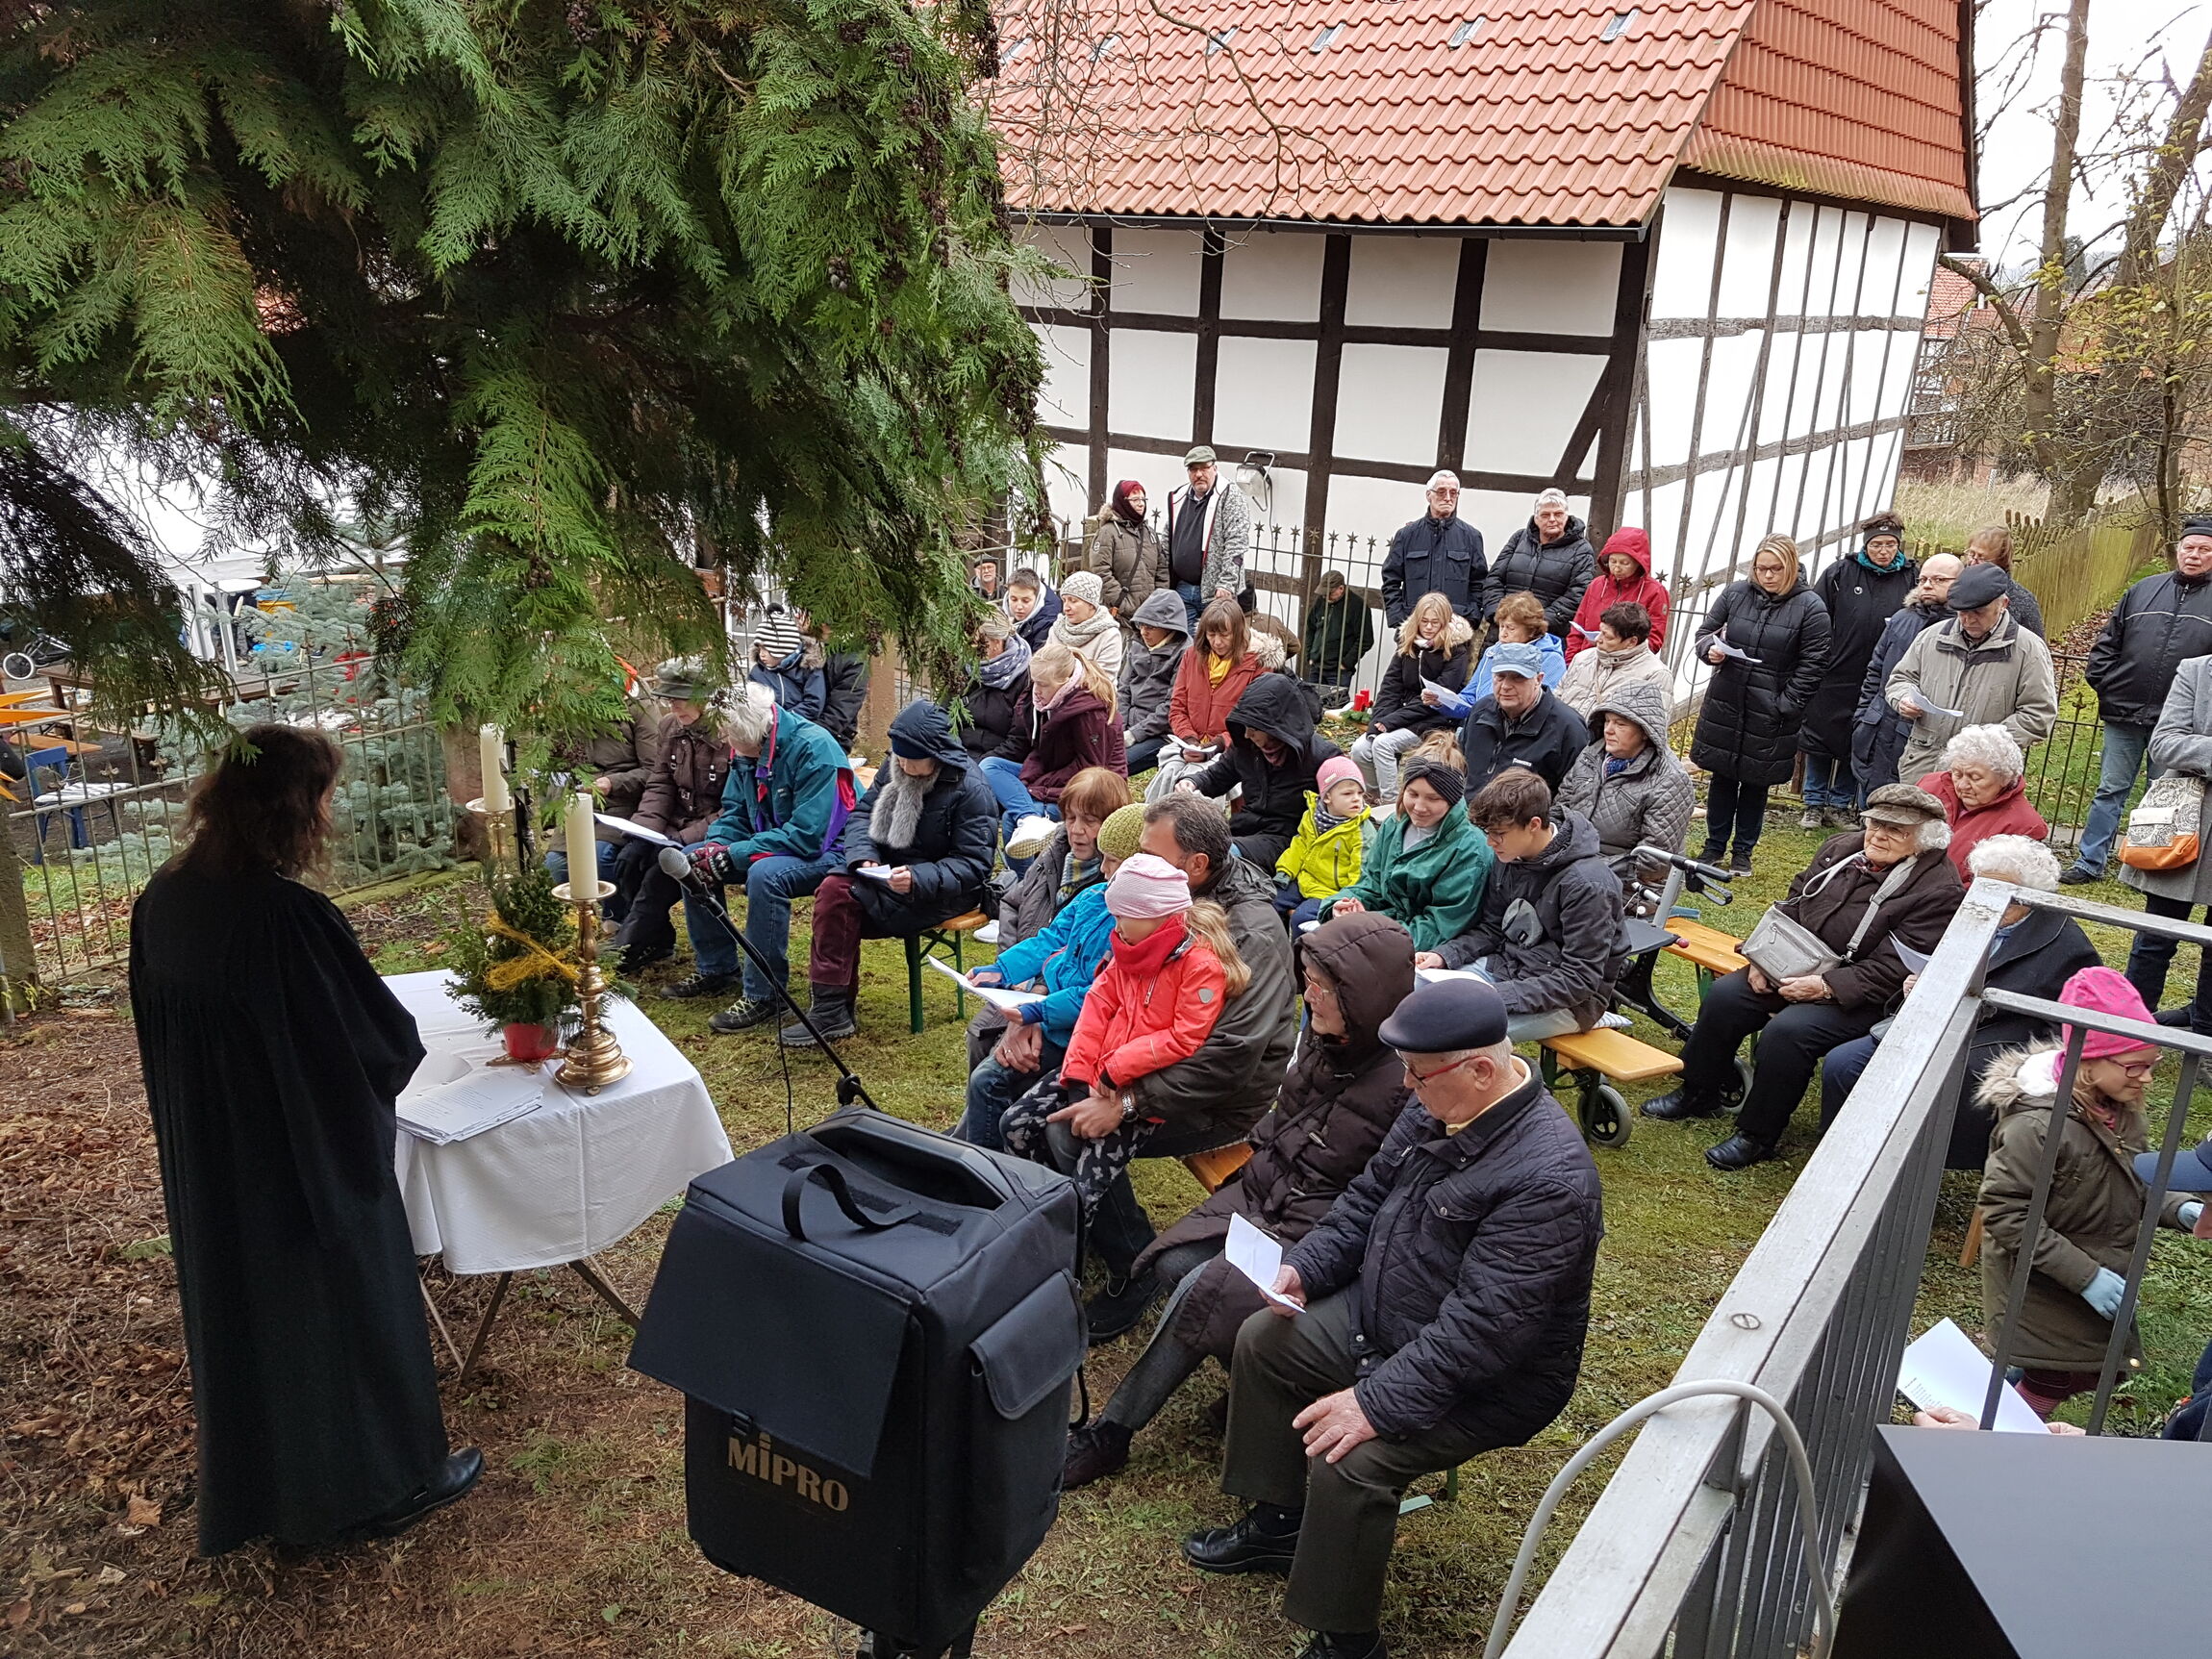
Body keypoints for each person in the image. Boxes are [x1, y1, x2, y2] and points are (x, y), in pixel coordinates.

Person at [130, 725, 481, 1554]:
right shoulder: (286, 918)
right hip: (294, 1162)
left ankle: (264, 1483)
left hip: (213, 1160)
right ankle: (387, 1482)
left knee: (249, 1311)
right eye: (324, 796)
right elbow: (373, 1046)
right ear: (292, 809)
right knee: (338, 1297)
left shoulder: (166, 897)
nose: (331, 812)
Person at [1183, 976, 1601, 1659]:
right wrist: (1306, 1267)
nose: (1405, 1087)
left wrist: (1373, 1402)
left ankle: (1348, 1640)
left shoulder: (1548, 1177)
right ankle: (1280, 1519)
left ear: (1482, 1069)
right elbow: (1367, 1195)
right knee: (1265, 1337)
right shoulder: (1439, 1101)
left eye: (1417, 1074)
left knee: (1355, 1455)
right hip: (1392, 1315)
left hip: (1490, 1380)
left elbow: (1486, 1330)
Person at [1062, 913, 1417, 1489]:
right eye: (1310, 979)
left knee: (1201, 1288)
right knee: (1174, 1262)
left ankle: (1114, 1432)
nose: (1310, 994)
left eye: (1323, 986)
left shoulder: (1404, 1081)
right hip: (1265, 1197)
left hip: (1319, 1233)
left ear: (1363, 996)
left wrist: (1286, 1209)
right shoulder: (1330, 1042)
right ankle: (1245, 1378)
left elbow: (1374, 1199)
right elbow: (1281, 1127)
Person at [1644, 784, 1963, 1168]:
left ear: (1925, 840)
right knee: (1728, 996)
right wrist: (1763, 960)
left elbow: (1896, 967)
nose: (1879, 834)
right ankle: (1699, 1089)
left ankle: (1757, 1134)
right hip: (1800, 963)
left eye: (1897, 830)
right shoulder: (1843, 849)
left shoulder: (1937, 889)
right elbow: (1794, 902)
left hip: (1867, 994)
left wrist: (1826, 987)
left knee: (1789, 1032)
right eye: (1876, 823)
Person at [1083, 795, 1301, 1329]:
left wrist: (1129, 1101)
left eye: (1152, 856)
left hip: (1223, 1103)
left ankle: (1134, 1268)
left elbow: (1227, 1058)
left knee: (1082, 1133)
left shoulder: (1251, 932)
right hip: (1153, 1071)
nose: (1138, 866)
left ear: (1196, 864)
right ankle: (1073, 1228)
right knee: (1056, 1104)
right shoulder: (1166, 898)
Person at [1975, 967, 2205, 1417]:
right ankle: (1996, 1440)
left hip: (2090, 1265)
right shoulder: (2037, 1126)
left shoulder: (2118, 1109)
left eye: (2152, 1066)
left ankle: (1995, 1409)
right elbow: (2006, 1214)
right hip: (2042, 1284)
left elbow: (2132, 1178)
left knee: (2072, 1367)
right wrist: (2086, 1277)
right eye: (2134, 1067)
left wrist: (2182, 1208)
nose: (2147, 1079)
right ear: (2088, 1059)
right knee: (2056, 1374)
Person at [1820, 836, 2099, 1169]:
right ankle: (1840, 1162)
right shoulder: (1972, 915)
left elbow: (2062, 1032)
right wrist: (1917, 985)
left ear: (2032, 897)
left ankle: (1902, 1172)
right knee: (1843, 1064)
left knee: (1926, 1086)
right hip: (1930, 1023)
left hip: (1989, 1043)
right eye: (1983, 890)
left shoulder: (2068, 946)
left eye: (2005, 896)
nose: (1991, 903)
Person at [999, 855, 1246, 1220]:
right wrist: (1080, 1073)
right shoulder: (1128, 946)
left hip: (1137, 1093)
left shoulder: (1200, 966)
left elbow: (1184, 1038)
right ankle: (1038, 1208)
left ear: (1156, 915)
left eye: (1121, 916)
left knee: (1085, 1190)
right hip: (1097, 1074)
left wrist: (1115, 1070)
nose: (1115, 926)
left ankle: (1065, 1236)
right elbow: (1098, 1004)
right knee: (1015, 1126)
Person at [780, 700, 996, 1044]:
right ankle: (830, 1008)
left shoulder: (971, 789)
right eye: (899, 756)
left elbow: (973, 865)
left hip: (941, 892)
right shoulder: (894, 767)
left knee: (838, 900)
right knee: (834, 889)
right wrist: (864, 857)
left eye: (913, 758)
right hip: (887, 875)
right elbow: (862, 817)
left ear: (936, 754)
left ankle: (831, 1010)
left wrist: (918, 877)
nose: (903, 764)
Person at [956, 798, 1144, 1147]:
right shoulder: (1093, 899)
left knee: (989, 1081)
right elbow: (1050, 939)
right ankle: (973, 1151)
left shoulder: (1131, 923)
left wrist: (1038, 1014)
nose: (1103, 870)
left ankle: (983, 1172)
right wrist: (1001, 970)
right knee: (989, 1064)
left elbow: (1099, 994)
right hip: (1047, 1012)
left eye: (1114, 862)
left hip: (1072, 1031)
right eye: (1103, 858)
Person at [685, 685, 854, 1031]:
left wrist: (735, 855)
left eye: (726, 731)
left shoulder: (814, 749)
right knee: (691, 860)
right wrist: (715, 847)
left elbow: (809, 836)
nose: (721, 736)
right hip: (779, 840)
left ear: (748, 731)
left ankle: (766, 993)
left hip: (834, 849)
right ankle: (717, 968)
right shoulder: (747, 749)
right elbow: (735, 812)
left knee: (765, 875)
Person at [1421, 771, 1625, 1042]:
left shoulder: (1588, 884)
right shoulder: (1509, 855)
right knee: (1416, 998)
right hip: (1505, 969)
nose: (1490, 842)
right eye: (1487, 833)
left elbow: (1580, 980)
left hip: (1570, 1002)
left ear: (1534, 824)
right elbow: (1492, 928)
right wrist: (1444, 956)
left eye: (1499, 834)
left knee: (1453, 1032)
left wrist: (1497, 996)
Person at [2067, 517, 2212, 882]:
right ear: (2178, 550)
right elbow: (2107, 643)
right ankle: (2089, 862)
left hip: (2178, 725)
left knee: (2164, 794)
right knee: (2109, 789)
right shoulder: (2143, 590)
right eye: (2189, 548)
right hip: (2124, 712)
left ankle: (2151, 864)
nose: (2194, 556)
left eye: (2204, 550)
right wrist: (2107, 685)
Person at [1688, 534, 1833, 873]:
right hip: (1727, 701)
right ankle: (1713, 847)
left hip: (1771, 709)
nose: (1767, 575)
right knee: (1722, 776)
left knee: (1756, 782)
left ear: (1791, 567)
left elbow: (1814, 664)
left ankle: (1743, 852)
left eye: (1775, 568)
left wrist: (1785, 705)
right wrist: (1710, 650)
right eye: (1760, 568)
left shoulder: (1810, 607)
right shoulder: (1735, 594)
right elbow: (1705, 632)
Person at [1886, 561, 2057, 786]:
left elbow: (2038, 714)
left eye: (1978, 612)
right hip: (1922, 766)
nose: (1968, 619)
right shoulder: (1931, 637)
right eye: (1962, 612)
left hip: (1983, 776)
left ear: (2003, 604)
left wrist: (1985, 744)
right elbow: (1900, 679)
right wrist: (1903, 699)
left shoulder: (2028, 649)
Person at [612, 659, 733, 976]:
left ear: (707, 698)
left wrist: (683, 839)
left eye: (680, 698)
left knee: (659, 875)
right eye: (669, 698)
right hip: (673, 825)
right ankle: (655, 941)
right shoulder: (670, 726)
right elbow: (660, 783)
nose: (673, 706)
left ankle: (624, 947)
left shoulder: (731, 734)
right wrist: (642, 833)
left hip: (714, 829)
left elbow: (734, 808)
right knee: (629, 862)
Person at [1797, 515, 1917, 826]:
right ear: (1866, 545)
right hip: (1836, 671)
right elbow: (1817, 616)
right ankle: (1814, 801)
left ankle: (1839, 803)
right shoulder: (1840, 573)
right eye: (1877, 544)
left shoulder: (1911, 577)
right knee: (1820, 738)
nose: (1884, 551)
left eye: (1890, 545)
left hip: (1880, 676)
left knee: (1860, 738)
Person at [2121, 650, 2212, 1034]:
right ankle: (2128, 1030)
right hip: (2186, 823)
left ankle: (2206, 1033)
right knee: (2156, 937)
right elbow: (2164, 744)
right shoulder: (2196, 671)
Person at [1314, 758, 1491, 943]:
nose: (1419, 807)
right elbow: (1371, 882)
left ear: (1451, 801)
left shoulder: (1470, 850)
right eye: (1413, 794)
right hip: (1386, 927)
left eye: (1433, 798)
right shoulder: (1395, 823)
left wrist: (1374, 936)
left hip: (1425, 945)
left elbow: (1441, 924)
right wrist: (1343, 905)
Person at [979, 642, 1126, 861]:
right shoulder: (1043, 700)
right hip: (1054, 775)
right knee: (990, 766)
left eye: (1043, 684)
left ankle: (1028, 882)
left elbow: (1092, 769)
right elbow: (1038, 750)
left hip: (1092, 788)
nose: (1036, 690)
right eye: (1034, 682)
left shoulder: (1089, 712)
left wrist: (1040, 785)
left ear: (1065, 682)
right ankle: (1029, 819)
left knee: (1010, 820)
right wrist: (1035, 779)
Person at [1181, 672, 1344, 869]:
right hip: (1243, 829)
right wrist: (1192, 781)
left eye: (1254, 728)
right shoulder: (1246, 747)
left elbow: (1344, 813)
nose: (1248, 734)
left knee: (1216, 856)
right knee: (1185, 844)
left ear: (1277, 726)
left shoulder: (1323, 758)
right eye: (1246, 727)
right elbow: (1217, 776)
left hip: (1287, 842)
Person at [1555, 681, 1696, 884]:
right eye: (1607, 721)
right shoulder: (1591, 755)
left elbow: (1653, 861)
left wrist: (1580, 868)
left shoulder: (1671, 780)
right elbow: (1560, 810)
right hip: (1573, 864)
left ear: (1645, 732)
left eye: (1620, 724)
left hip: (1634, 885)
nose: (1609, 730)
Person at [1850, 553, 1960, 798]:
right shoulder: (1901, 619)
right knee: (1873, 809)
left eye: (1939, 579)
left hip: (1924, 735)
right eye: (1923, 580)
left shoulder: (1962, 627)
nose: (1928, 585)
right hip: (1879, 730)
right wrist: (1864, 715)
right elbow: (1875, 671)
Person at [544, 700, 660, 925]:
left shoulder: (637, 705)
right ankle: (582, 925)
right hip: (578, 805)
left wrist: (612, 783)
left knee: (599, 856)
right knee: (555, 865)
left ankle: (620, 921)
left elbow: (654, 770)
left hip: (623, 806)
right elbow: (556, 767)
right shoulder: (566, 701)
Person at [1351, 591, 1473, 805]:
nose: (1428, 627)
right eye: (1424, 621)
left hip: (1434, 718)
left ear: (1444, 622)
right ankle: (1375, 795)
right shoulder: (1407, 643)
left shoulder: (1456, 651)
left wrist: (1389, 723)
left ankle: (1390, 805)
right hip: (1400, 713)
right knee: (1360, 749)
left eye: (1435, 622)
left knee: (1383, 745)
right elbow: (1390, 687)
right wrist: (1377, 721)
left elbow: (1436, 698)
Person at [1154, 597, 1263, 797]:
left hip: (1231, 749)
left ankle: (1200, 828)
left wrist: (1217, 745)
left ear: (1238, 633)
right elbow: (1177, 707)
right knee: (1167, 775)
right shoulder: (1191, 656)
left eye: (1224, 635)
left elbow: (1253, 722)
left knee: (1196, 786)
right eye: (1211, 634)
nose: (1217, 642)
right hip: (1190, 744)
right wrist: (1189, 739)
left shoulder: (1257, 664)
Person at [1454, 641, 1587, 794]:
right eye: (1500, 677)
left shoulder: (1568, 727)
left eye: (1518, 678)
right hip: (1468, 812)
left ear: (1538, 679)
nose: (1505, 686)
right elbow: (1460, 767)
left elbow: (1572, 794)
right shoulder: (1480, 710)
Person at [1919, 725, 2049, 880]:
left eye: (1975, 778)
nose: (1962, 785)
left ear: (2005, 777)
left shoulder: (2024, 825)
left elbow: (1991, 886)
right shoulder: (1930, 785)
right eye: (1957, 774)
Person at [1379, 470, 1488, 630]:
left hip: (1454, 631)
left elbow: (1479, 583)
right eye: (1441, 492)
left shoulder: (1471, 537)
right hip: (1413, 627)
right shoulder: (1407, 535)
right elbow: (1391, 580)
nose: (1448, 498)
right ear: (1428, 495)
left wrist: (1469, 618)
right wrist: (1400, 620)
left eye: (1453, 493)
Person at [1486, 487, 1596, 641]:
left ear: (1566, 516)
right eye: (1545, 515)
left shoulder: (1582, 550)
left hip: (1546, 636)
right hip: (1502, 632)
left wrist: (1536, 624)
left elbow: (1577, 593)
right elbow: (1494, 578)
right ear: (1536, 518)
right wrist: (1499, 615)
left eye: (1558, 514)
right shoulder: (1518, 538)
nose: (1552, 519)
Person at [1275, 756, 1376, 919]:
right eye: (1348, 793)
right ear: (1327, 797)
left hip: (1331, 893)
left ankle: (1304, 945)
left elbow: (1360, 873)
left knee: (1302, 918)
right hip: (1306, 880)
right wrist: (1285, 871)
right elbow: (1299, 845)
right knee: (1272, 901)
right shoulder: (1312, 817)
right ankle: (1278, 944)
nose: (1356, 799)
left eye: (1360, 793)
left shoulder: (1360, 831)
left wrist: (1346, 900)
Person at [1162, 445, 1249, 630]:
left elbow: (1236, 543)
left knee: (1214, 647)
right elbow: (1167, 538)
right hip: (1182, 589)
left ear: (1215, 468)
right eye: (1193, 469)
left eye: (1204, 468)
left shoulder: (1231, 496)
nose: (1199, 474)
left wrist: (1227, 583)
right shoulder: (1179, 497)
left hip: (1216, 592)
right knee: (1184, 649)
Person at [1565, 526, 1669, 660]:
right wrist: (1571, 660)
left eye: (1625, 563)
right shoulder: (1597, 585)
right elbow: (1577, 628)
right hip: (1586, 659)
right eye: (1612, 561)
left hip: (1625, 665)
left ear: (1638, 563)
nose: (1617, 568)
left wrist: (1623, 657)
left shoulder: (1655, 591)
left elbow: (1653, 639)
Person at [1119, 589, 1192, 776]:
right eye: (1141, 625)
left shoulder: (1185, 653)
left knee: (1117, 765)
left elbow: (1171, 706)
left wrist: (1135, 734)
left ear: (1169, 627)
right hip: (1128, 723)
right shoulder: (1136, 643)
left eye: (1150, 627)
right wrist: (1120, 726)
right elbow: (1123, 689)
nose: (1144, 632)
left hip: (1161, 733)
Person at [1556, 601, 1669, 717]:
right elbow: (1557, 699)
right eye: (1600, 632)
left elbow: (1650, 728)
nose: (1598, 639)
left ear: (1632, 642)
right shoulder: (1582, 658)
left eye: (1608, 637)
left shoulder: (1655, 675)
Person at [951, 611, 1032, 763]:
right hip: (957, 752)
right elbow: (944, 715)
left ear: (997, 642)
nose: (970, 649)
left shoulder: (1024, 679)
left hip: (994, 761)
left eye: (976, 643)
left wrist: (979, 763)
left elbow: (1019, 741)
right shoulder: (963, 668)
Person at [1458, 591, 1565, 705]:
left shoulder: (1552, 659)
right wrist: (1441, 702)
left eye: (1510, 628)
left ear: (1531, 630)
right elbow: (1470, 697)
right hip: (1481, 719)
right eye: (1501, 626)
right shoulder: (1492, 652)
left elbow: (1542, 706)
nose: (1503, 633)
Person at [1091, 479, 1167, 624]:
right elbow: (1101, 571)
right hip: (1121, 616)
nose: (1141, 503)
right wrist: (1122, 603)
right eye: (1135, 499)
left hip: (1149, 615)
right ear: (1123, 501)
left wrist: (1157, 601)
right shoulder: (1108, 532)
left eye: (1143, 498)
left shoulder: (1149, 533)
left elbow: (1161, 569)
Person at [795, 607, 870, 753]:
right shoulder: (794, 645)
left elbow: (837, 717)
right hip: (788, 729)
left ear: (824, 622)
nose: (798, 616)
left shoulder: (853, 661)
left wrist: (796, 737)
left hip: (828, 740)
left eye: (806, 613)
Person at [1302, 568, 1374, 706]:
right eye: (1324, 594)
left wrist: (1345, 663)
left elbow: (1366, 640)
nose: (1325, 597)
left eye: (1329, 594)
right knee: (1310, 706)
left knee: (1335, 708)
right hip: (1316, 665)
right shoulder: (1321, 601)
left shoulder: (1358, 606)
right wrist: (1310, 655)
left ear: (1341, 588)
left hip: (1339, 671)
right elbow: (1310, 627)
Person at [747, 604, 826, 721]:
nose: (762, 654)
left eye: (767, 649)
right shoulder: (758, 672)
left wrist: (785, 720)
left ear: (783, 648)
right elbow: (752, 705)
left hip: (800, 725)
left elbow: (814, 703)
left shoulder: (807, 668)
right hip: (767, 728)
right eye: (759, 649)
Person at [1963, 524, 2045, 638]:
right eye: (1971, 554)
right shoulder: (1953, 587)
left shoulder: (2022, 600)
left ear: (2001, 562)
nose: (1972, 562)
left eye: (1982, 558)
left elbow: (2037, 647)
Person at [1049, 568, 1126, 681]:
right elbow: (1044, 670)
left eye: (1073, 600)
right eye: (1064, 600)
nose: (1066, 607)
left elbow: (1102, 679)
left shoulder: (1109, 635)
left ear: (1091, 604)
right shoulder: (1056, 630)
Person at [1004, 566, 1062, 655]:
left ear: (1037, 598)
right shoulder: (1003, 613)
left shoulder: (1048, 623)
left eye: (1025, 601)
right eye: (1014, 599)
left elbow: (1035, 661)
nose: (1019, 606)